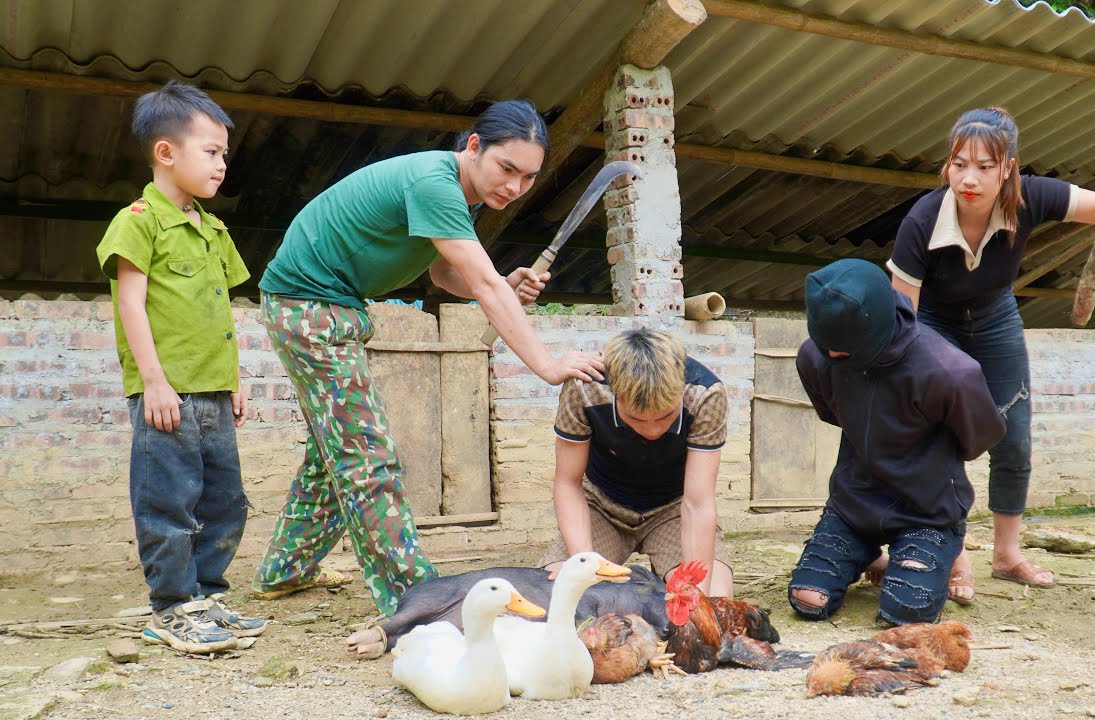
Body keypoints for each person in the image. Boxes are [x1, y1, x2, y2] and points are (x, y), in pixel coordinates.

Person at [251, 99, 605, 617]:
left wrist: (505, 283)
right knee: (366, 457)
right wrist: (547, 364)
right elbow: (481, 284)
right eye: (507, 169)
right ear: (474, 146)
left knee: (337, 451)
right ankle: (420, 602)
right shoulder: (435, 183)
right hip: (310, 308)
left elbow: (446, 276)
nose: (514, 187)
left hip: (326, 306)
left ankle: (286, 571)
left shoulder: (464, 194)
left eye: (528, 178)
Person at [885, 107, 1095, 600]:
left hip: (995, 315)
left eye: (985, 166)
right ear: (948, 165)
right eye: (959, 163)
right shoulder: (922, 220)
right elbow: (902, 323)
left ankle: (1006, 555)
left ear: (1008, 168)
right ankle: (953, 555)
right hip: (931, 322)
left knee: (1014, 434)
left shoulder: (1031, 195)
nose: (969, 178)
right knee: (939, 439)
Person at [95, 81, 266, 653]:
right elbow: (130, 305)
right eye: (211, 152)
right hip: (167, 395)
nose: (222, 165)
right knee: (169, 501)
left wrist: (235, 381)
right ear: (166, 152)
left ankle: (208, 597)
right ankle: (171, 609)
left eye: (224, 154)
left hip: (214, 393)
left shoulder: (213, 229)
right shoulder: (138, 221)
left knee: (224, 501)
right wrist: (153, 383)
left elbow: (222, 311)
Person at [787, 259, 1006, 626]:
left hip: (926, 509)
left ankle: (949, 548)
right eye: (828, 347)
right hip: (854, 502)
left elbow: (977, 439)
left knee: (906, 612)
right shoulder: (814, 356)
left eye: (845, 349)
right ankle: (867, 553)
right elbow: (833, 414)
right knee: (807, 600)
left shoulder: (949, 371)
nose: (834, 357)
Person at [541, 328, 733, 597]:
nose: (653, 430)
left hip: (674, 509)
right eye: (637, 419)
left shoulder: (705, 394)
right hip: (600, 505)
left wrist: (696, 597)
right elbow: (568, 483)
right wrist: (583, 564)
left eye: (665, 417)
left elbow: (698, 503)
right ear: (615, 393)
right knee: (563, 592)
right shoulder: (585, 387)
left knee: (713, 599)